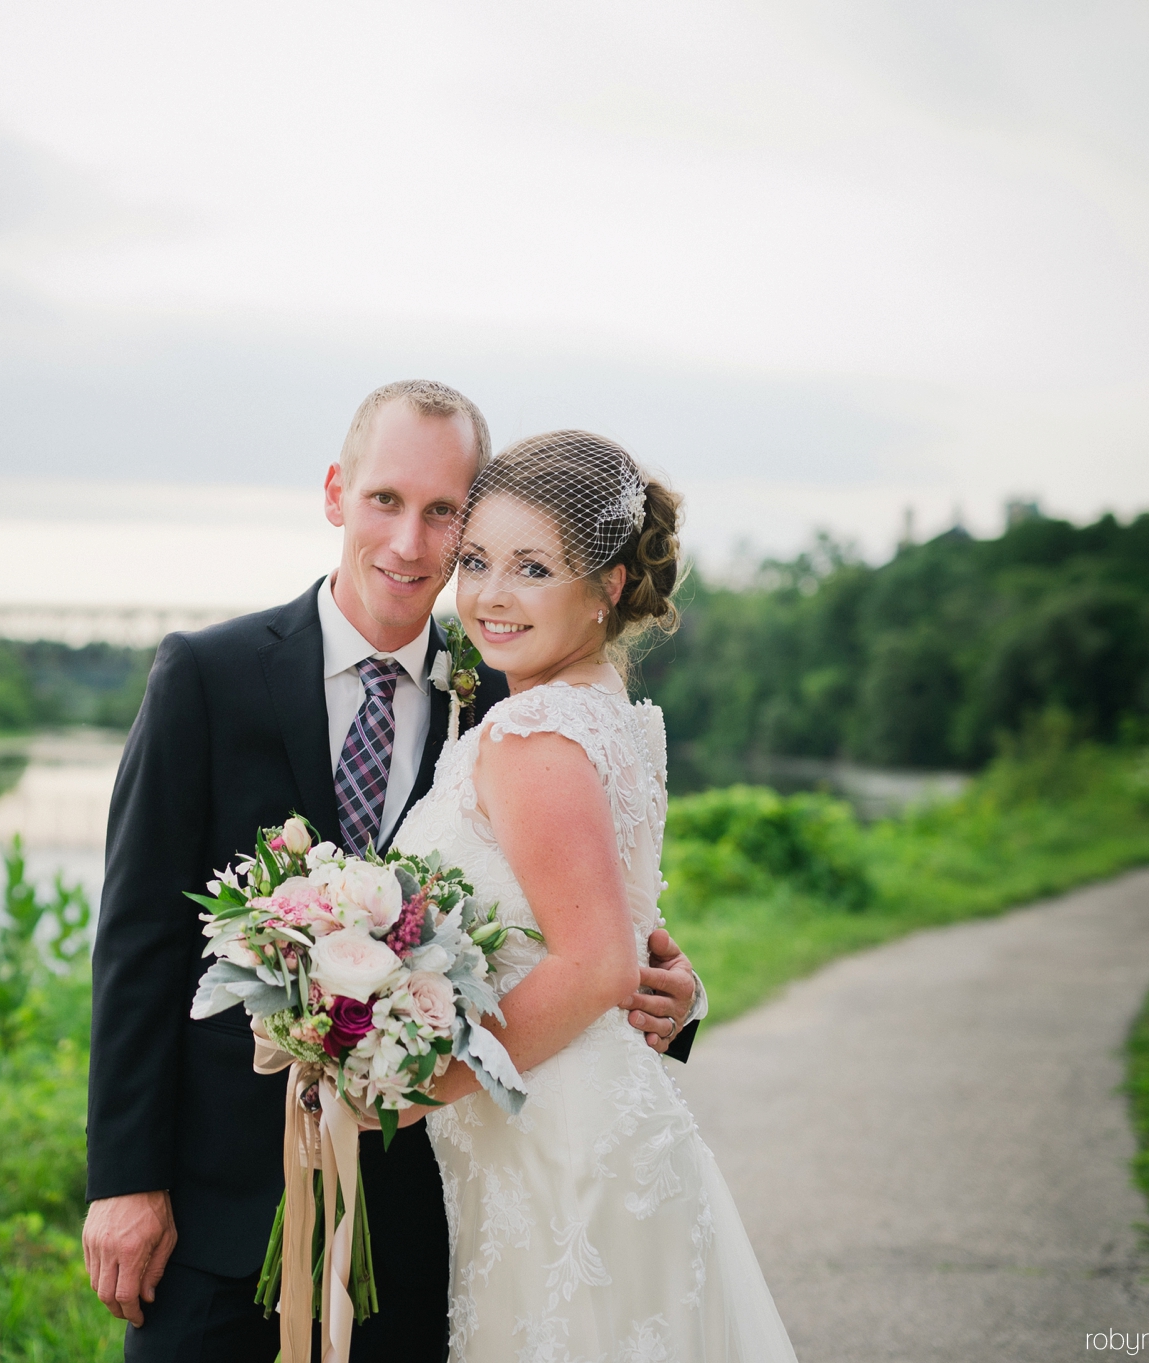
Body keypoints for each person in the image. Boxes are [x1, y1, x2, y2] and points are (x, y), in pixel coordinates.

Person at [83, 384, 708, 1362]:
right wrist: (124, 1179)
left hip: (427, 1233)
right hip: (217, 1215)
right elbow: (137, 939)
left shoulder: (509, 691)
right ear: (336, 492)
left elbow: (587, 924)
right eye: (384, 500)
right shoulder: (207, 676)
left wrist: (674, 994)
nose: (409, 544)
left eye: (442, 513)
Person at [390, 431, 796, 1360]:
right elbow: (611, 924)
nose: (491, 595)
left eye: (532, 567)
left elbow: (597, 960)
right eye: (478, 561)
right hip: (585, 1117)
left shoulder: (531, 733)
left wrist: (421, 1086)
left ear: (609, 585)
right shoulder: (605, 708)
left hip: (555, 1142)